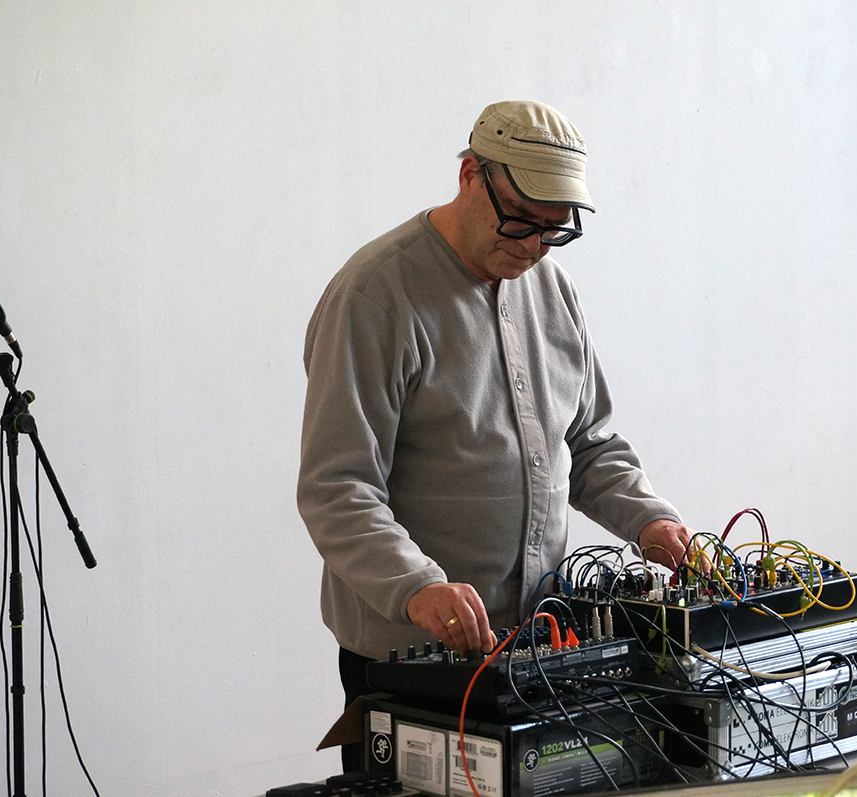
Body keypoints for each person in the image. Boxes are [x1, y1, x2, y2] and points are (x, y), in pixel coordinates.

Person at [297, 100, 695, 766]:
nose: (531, 246)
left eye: (552, 230)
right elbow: (338, 489)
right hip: (409, 659)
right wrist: (419, 586)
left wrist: (650, 521)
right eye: (518, 218)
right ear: (469, 176)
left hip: (538, 646)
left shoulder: (552, 289)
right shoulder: (374, 296)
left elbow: (588, 444)